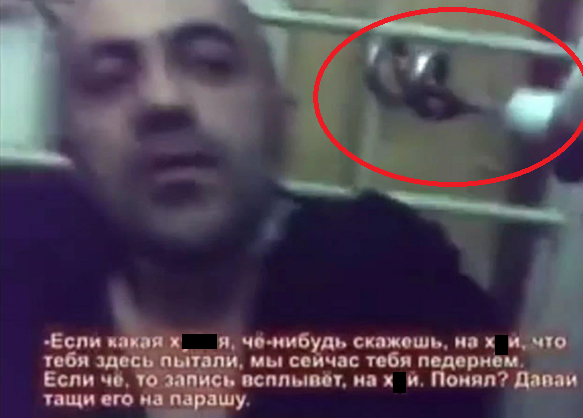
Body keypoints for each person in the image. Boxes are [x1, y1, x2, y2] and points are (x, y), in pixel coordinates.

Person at [1, 0, 503, 417]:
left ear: (280, 116)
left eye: (211, 64)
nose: (162, 100)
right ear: (69, 147)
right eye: (109, 78)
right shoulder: (17, 272)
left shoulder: (399, 289)